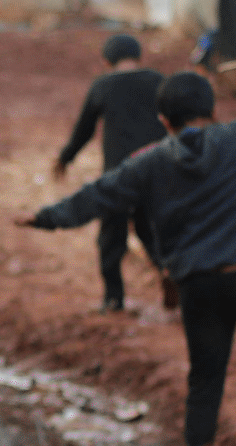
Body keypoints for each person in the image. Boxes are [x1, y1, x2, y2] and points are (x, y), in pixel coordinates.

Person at [20, 36, 236, 446]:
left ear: (163, 121)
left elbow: (99, 195)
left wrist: (46, 218)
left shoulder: (148, 162)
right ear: (211, 111)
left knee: (205, 378)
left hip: (195, 285)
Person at [54, 34, 170, 312]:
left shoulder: (103, 85)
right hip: (154, 170)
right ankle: (168, 271)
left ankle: (113, 298)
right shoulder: (158, 81)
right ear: (139, 56)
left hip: (118, 175)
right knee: (150, 228)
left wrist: (65, 158)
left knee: (111, 236)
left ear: (106, 61)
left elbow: (85, 129)